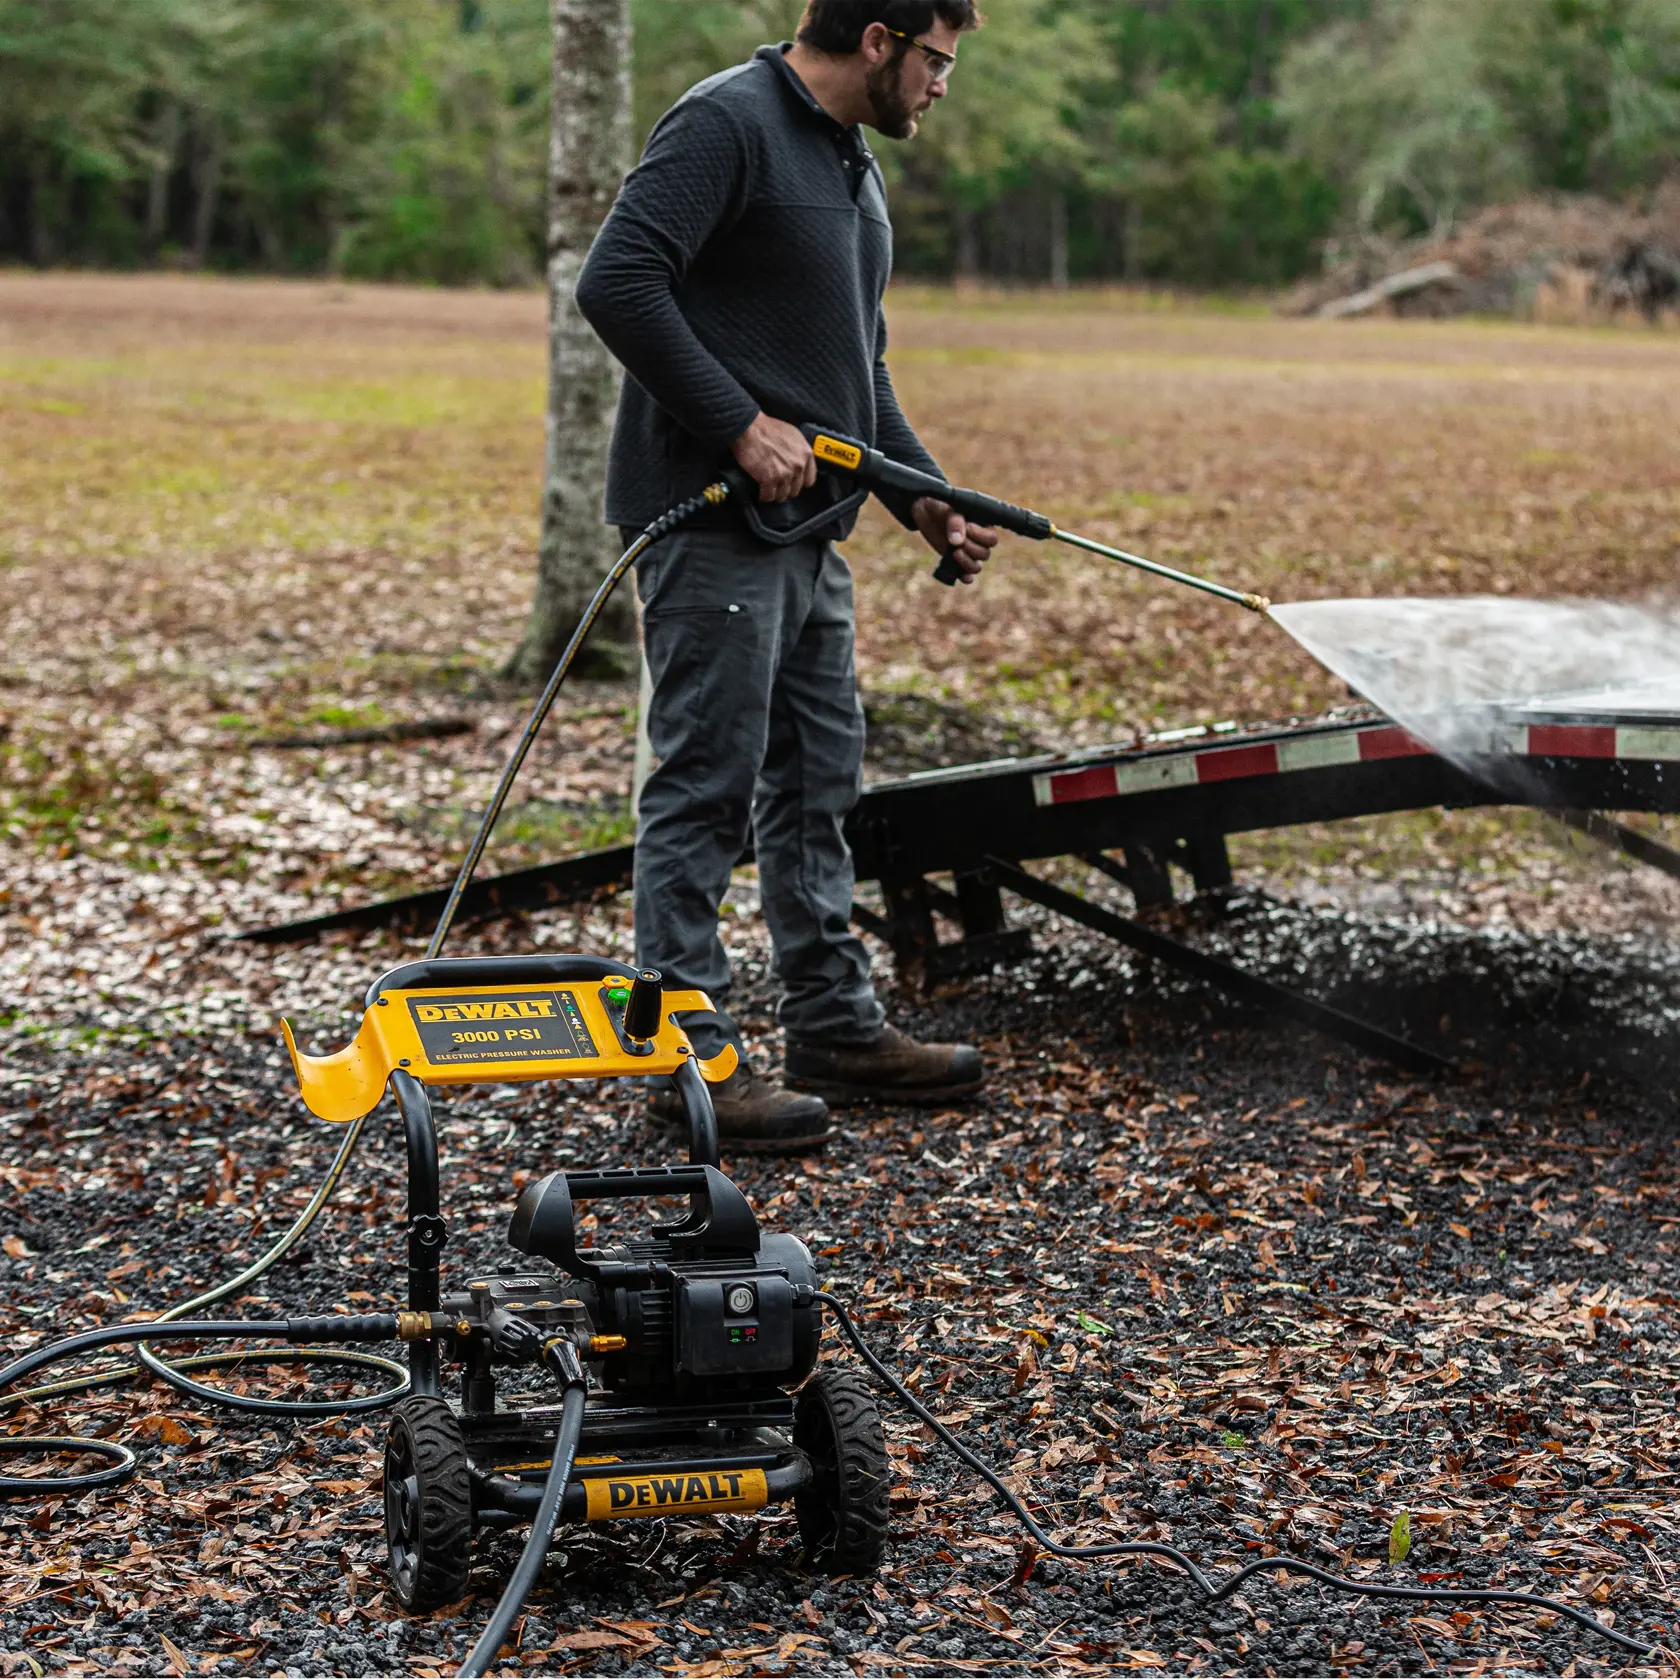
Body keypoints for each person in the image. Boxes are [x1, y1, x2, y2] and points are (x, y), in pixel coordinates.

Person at [575, 0, 999, 1156]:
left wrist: (923, 495)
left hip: (814, 531)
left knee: (818, 783)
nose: (943, 86)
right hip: (713, 520)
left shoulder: (852, 160)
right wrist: (737, 423)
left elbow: (856, 371)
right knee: (705, 785)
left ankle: (832, 1026)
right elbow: (618, 282)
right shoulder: (727, 122)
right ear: (879, 39)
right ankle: (686, 1057)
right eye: (938, 61)